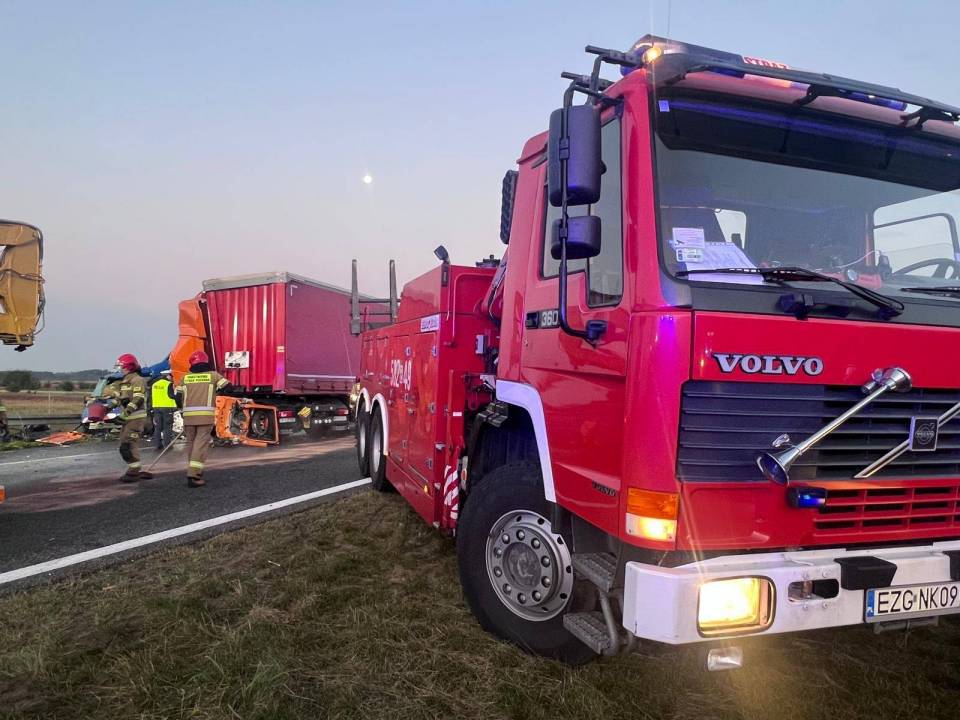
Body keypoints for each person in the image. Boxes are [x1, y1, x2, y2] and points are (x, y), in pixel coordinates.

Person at [172, 350, 229, 488]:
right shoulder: (213, 376)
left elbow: (177, 397)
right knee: (200, 445)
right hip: (205, 417)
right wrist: (216, 392)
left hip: (188, 417)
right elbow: (228, 387)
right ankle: (193, 475)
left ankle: (194, 470)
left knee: (191, 444)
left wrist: (182, 410)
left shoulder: (185, 378)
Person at [115, 353, 153, 483]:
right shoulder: (125, 381)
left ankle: (134, 471)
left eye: (122, 367)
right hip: (128, 418)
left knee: (129, 444)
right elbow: (123, 398)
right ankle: (133, 469)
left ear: (129, 366)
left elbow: (138, 399)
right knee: (123, 445)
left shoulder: (137, 380)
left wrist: (126, 413)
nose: (121, 369)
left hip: (136, 418)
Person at [150, 369, 177, 450]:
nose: (172, 378)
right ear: (168, 376)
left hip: (156, 407)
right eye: (172, 376)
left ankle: (157, 445)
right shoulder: (169, 384)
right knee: (167, 427)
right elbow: (172, 396)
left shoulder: (155, 384)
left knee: (158, 427)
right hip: (167, 408)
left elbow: (151, 396)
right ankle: (167, 445)